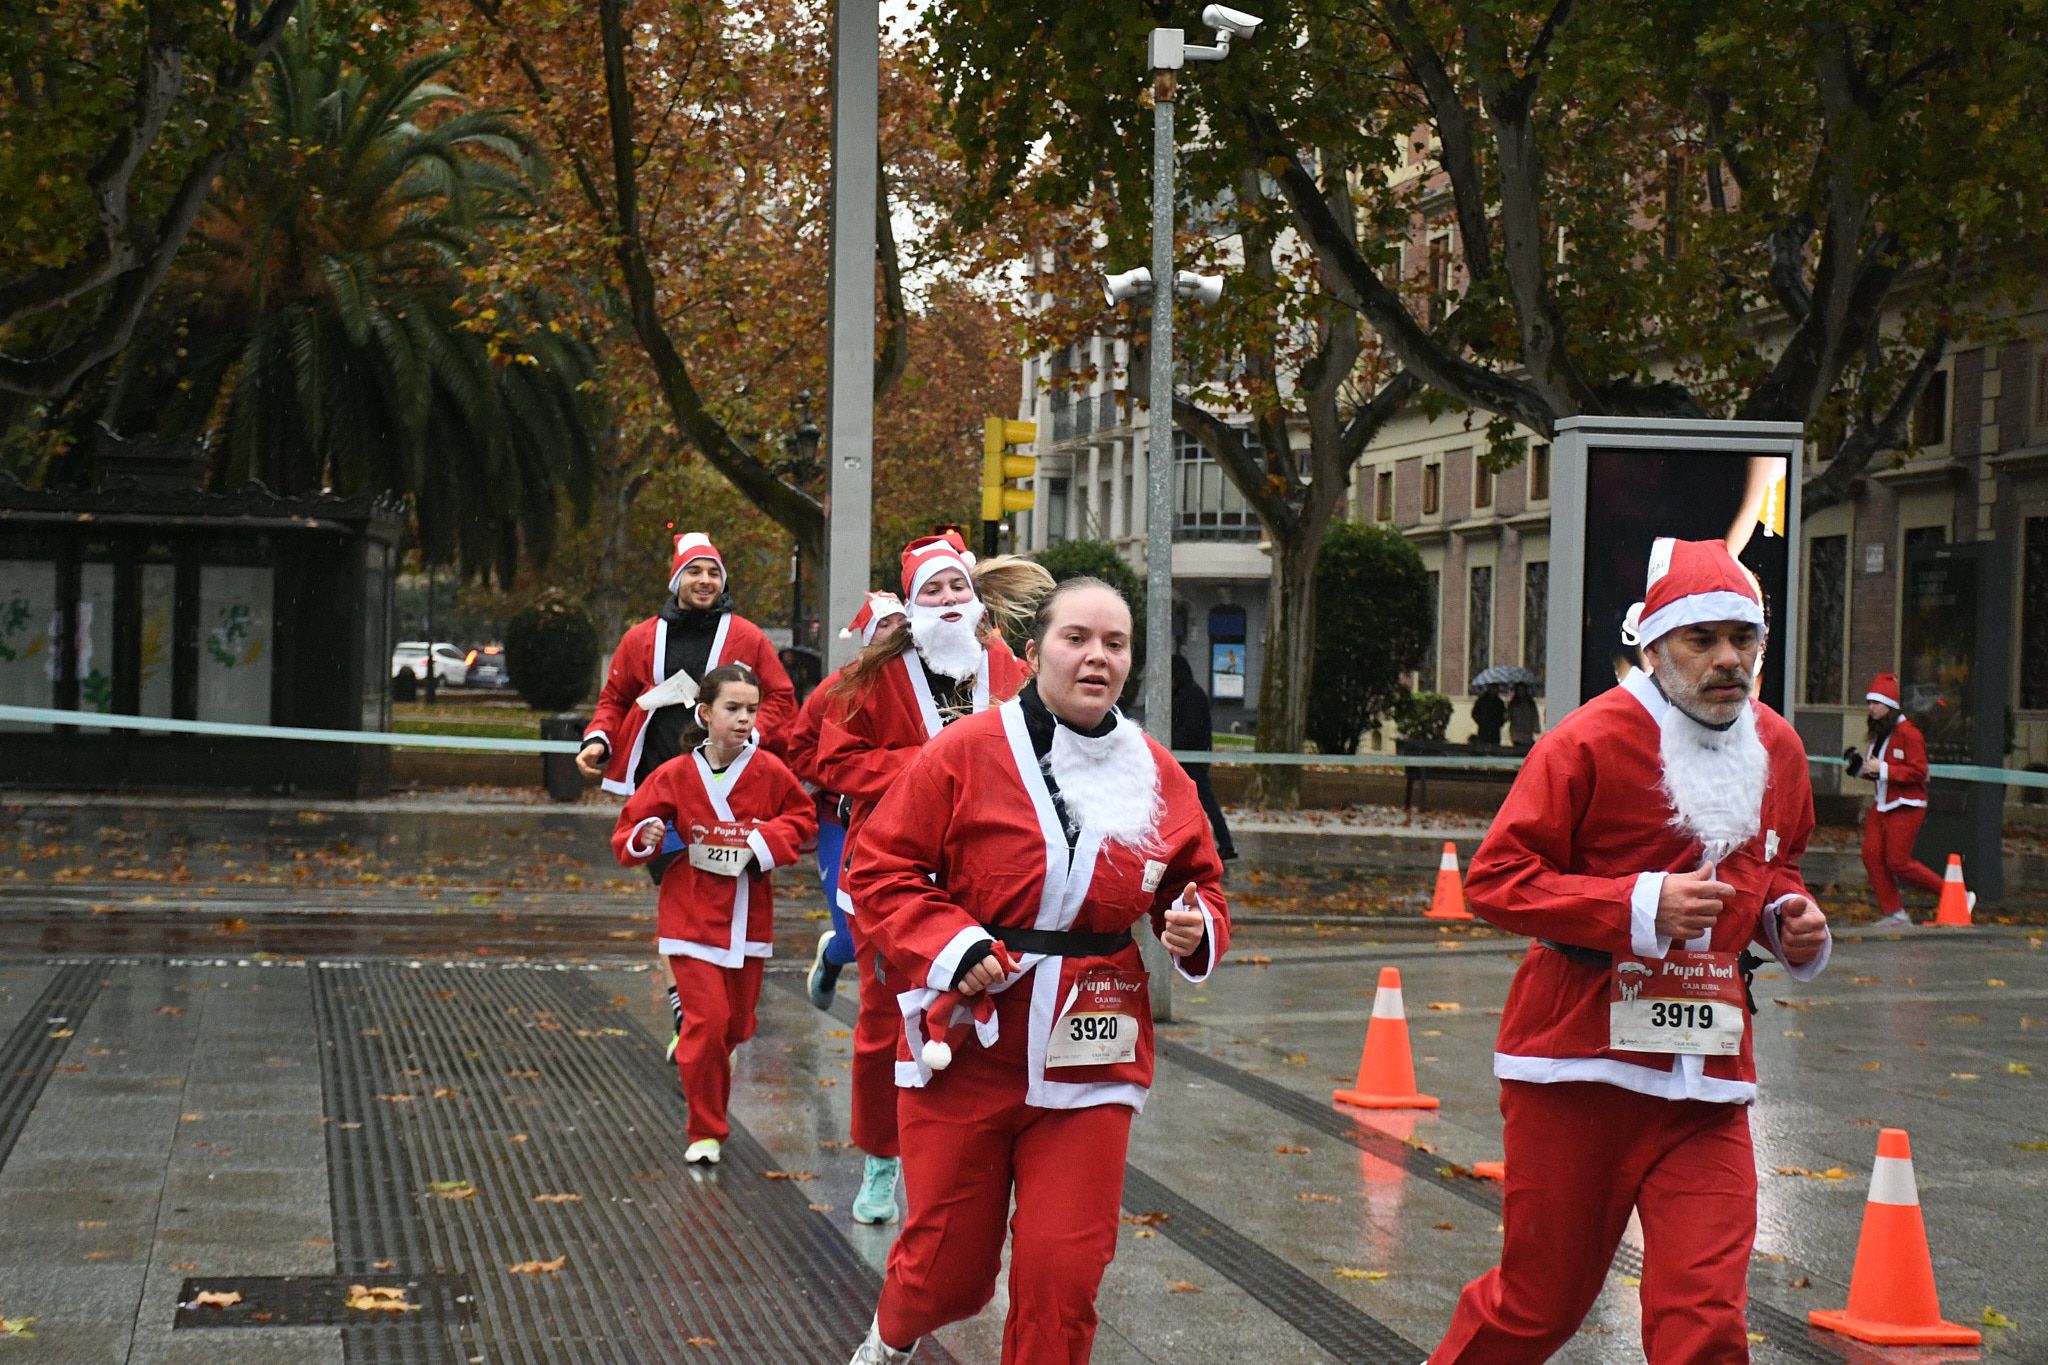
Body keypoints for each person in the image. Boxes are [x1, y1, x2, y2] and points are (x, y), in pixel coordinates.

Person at [1428, 537, 1831, 1363]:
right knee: (1538, 1307)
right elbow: (1497, 880)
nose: (1729, 659)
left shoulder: (1778, 748)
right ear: (1652, 644)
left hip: (1709, 1082)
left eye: (1743, 638)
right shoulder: (1588, 739)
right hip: (1579, 1072)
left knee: (1706, 1318)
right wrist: (1642, 903)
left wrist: (1787, 915)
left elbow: (1775, 860)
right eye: (1702, 639)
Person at [841, 577, 1231, 1365]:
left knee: (1065, 1269)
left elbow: (1199, 881)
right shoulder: (964, 752)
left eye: (1115, 643)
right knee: (947, 1269)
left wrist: (1195, 927)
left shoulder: (1155, 770)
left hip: (1093, 1044)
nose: (1097, 656)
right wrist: (955, 946)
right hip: (970, 1038)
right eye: (1076, 638)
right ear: (1030, 653)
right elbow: (879, 869)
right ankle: (891, 1337)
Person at [810, 532, 1048, 1226]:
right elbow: (832, 760)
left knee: (986, 1018)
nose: (946, 602)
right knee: (884, 1026)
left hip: (986, 878)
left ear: (976, 599)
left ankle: (971, 1155)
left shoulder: (1006, 668)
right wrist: (923, 768)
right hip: (892, 874)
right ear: (912, 606)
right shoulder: (874, 677)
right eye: (931, 592)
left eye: (956, 589)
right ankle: (882, 1158)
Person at [577, 532, 800, 1057]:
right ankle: (688, 1001)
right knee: (678, 890)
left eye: (714, 573)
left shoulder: (746, 636)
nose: (705, 581)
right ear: (676, 580)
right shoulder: (641, 638)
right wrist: (598, 737)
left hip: (729, 790)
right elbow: (615, 698)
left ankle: (716, 996)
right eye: (695, 572)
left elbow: (783, 699)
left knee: (717, 886)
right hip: (663, 784)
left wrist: (748, 733)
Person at [610, 664, 816, 1167]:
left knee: (735, 1027)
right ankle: (706, 1130)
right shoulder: (675, 774)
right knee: (707, 1025)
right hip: (689, 917)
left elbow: (803, 820)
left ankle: (714, 1057)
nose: (744, 719)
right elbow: (629, 830)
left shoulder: (768, 771)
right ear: (704, 714)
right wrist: (649, 836)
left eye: (751, 709)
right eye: (732, 708)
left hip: (748, 921)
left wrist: (764, 842)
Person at [786, 592, 907, 1009]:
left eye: (901, 623)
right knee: (856, 933)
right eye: (885, 626)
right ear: (869, 638)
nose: (897, 632)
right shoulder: (839, 686)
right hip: (842, 821)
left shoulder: (930, 683)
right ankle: (832, 956)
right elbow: (801, 751)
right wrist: (851, 776)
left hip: (907, 827)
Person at [1846, 672, 1965, 928]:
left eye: (1876, 703)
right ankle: (1895, 913)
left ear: (1889, 705)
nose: (1871, 708)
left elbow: (1919, 772)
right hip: (1883, 803)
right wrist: (1859, 767)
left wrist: (1884, 769)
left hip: (1907, 805)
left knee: (1898, 861)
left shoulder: (1909, 733)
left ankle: (1954, 894)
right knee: (1871, 855)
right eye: (1869, 702)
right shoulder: (1880, 734)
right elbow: (1877, 772)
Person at [1170, 653, 1236, 860]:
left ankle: (1225, 844)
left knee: (1205, 802)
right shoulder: (1186, 694)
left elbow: (1189, 730)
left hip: (1192, 761)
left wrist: (1171, 745)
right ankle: (1218, 844)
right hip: (1188, 760)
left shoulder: (1191, 696)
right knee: (1199, 803)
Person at [1506, 681, 1540, 747]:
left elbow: (1535, 716)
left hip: (1527, 731)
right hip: (1516, 732)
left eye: (1522, 690)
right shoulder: (1513, 703)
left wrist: (1536, 728)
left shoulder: (1530, 703)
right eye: (1519, 690)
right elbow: (1508, 716)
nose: (1521, 692)